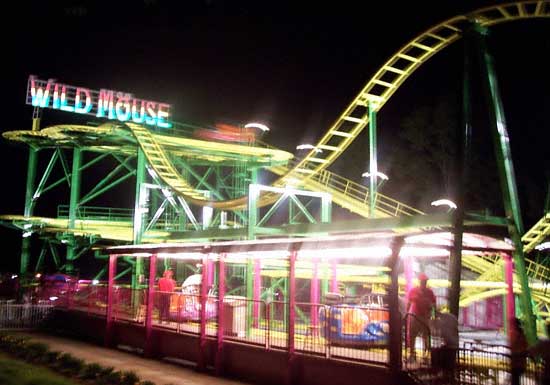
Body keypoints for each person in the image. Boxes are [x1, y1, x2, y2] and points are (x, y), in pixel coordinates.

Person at [406, 272, 436, 362]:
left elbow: (434, 305)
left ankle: (425, 355)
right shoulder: (414, 291)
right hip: (415, 316)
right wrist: (407, 314)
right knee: (413, 336)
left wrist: (433, 315)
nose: (424, 283)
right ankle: (412, 354)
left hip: (424, 317)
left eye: (425, 282)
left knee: (425, 336)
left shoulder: (429, 292)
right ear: (420, 282)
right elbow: (409, 303)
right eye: (423, 281)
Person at [431, 309, 459, 383]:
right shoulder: (449, 317)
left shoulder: (442, 322)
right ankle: (449, 377)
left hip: (450, 345)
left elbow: (441, 333)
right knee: (450, 364)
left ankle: (446, 376)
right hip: (453, 344)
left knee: (447, 362)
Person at [510, 317, 528, 385]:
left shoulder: (516, 334)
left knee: (515, 380)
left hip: (516, 362)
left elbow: (514, 346)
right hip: (520, 362)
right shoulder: (521, 334)